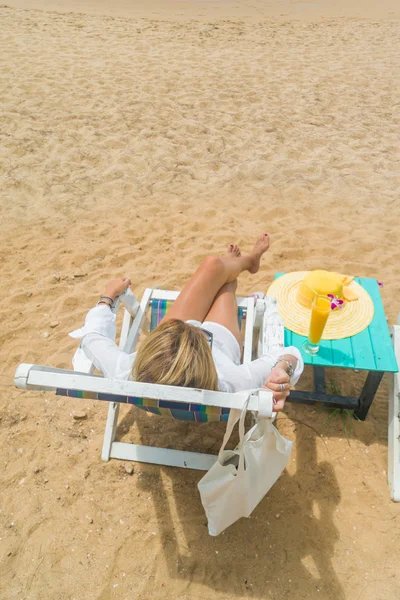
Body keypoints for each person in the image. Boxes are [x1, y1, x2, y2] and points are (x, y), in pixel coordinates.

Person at [70, 234, 303, 411]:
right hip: (220, 340)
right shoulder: (230, 382)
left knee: (214, 265)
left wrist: (108, 296)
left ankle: (243, 263)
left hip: (173, 345)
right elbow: (292, 354)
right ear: (205, 353)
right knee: (224, 287)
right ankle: (246, 263)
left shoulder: (127, 371)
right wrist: (282, 368)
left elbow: (92, 337)